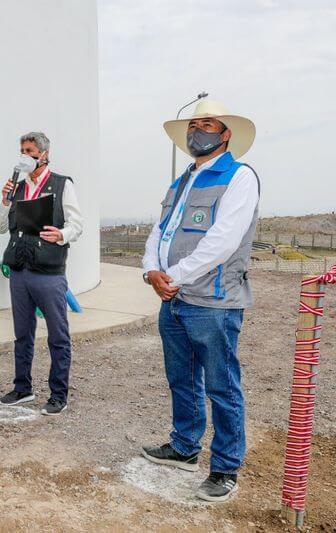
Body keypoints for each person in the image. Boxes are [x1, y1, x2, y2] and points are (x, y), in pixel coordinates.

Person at [140, 100, 259, 503]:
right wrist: (150, 271)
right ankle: (184, 447)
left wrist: (172, 277)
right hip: (172, 299)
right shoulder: (180, 181)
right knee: (182, 378)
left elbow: (222, 241)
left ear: (225, 133)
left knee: (222, 387)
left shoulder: (239, 177)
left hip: (213, 302)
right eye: (193, 124)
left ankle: (225, 468)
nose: (198, 130)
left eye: (207, 123)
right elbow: (160, 233)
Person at [0, 131, 83, 415]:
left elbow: (77, 224)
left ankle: (58, 394)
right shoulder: (17, 187)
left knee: (58, 335)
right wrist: (5, 201)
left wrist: (62, 234)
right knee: (22, 334)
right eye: (22, 149)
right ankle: (23, 388)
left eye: (29, 150)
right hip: (20, 271)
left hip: (48, 272)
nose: (25, 155)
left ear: (43, 154)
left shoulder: (61, 184)